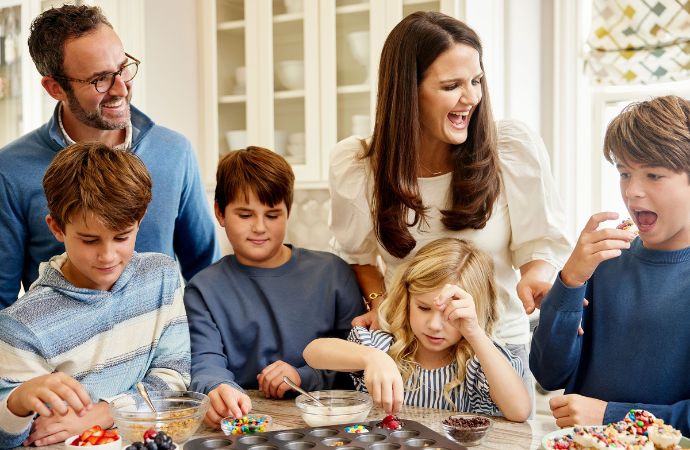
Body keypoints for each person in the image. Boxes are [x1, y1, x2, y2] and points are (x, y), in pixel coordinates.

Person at [328, 11, 571, 398]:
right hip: (408, 356)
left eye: (476, 80)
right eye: (451, 85)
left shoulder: (510, 147)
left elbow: (538, 244)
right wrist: (379, 303)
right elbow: (358, 257)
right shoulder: (359, 166)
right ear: (407, 91)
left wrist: (537, 276)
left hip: (495, 354)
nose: (472, 97)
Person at [0, 4, 219, 309]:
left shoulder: (174, 152)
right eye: (99, 79)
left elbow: (206, 275)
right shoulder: (10, 171)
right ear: (55, 88)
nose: (121, 88)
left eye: (123, 68)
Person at [0, 142, 191, 448]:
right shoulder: (20, 326)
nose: (107, 255)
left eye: (122, 236)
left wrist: (103, 413)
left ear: (139, 222)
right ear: (57, 228)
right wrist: (17, 402)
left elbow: (175, 376)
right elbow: (11, 438)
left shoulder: (161, 277)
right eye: (89, 240)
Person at [530, 95, 690, 436]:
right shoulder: (603, 263)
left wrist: (612, 416)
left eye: (654, 175)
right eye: (624, 173)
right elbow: (548, 372)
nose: (632, 192)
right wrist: (570, 281)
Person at [184, 146, 365, 428]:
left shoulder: (332, 273)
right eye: (245, 215)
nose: (259, 227)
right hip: (244, 422)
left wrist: (303, 375)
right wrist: (218, 388)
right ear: (220, 213)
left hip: (327, 423)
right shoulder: (203, 289)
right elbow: (205, 361)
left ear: (288, 212)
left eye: (272, 215)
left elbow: (357, 363)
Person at [304, 238, 531, 421]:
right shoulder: (383, 347)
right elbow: (313, 352)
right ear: (407, 300)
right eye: (423, 307)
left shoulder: (479, 363)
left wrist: (474, 332)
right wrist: (371, 358)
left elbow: (519, 410)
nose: (433, 324)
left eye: (450, 314)